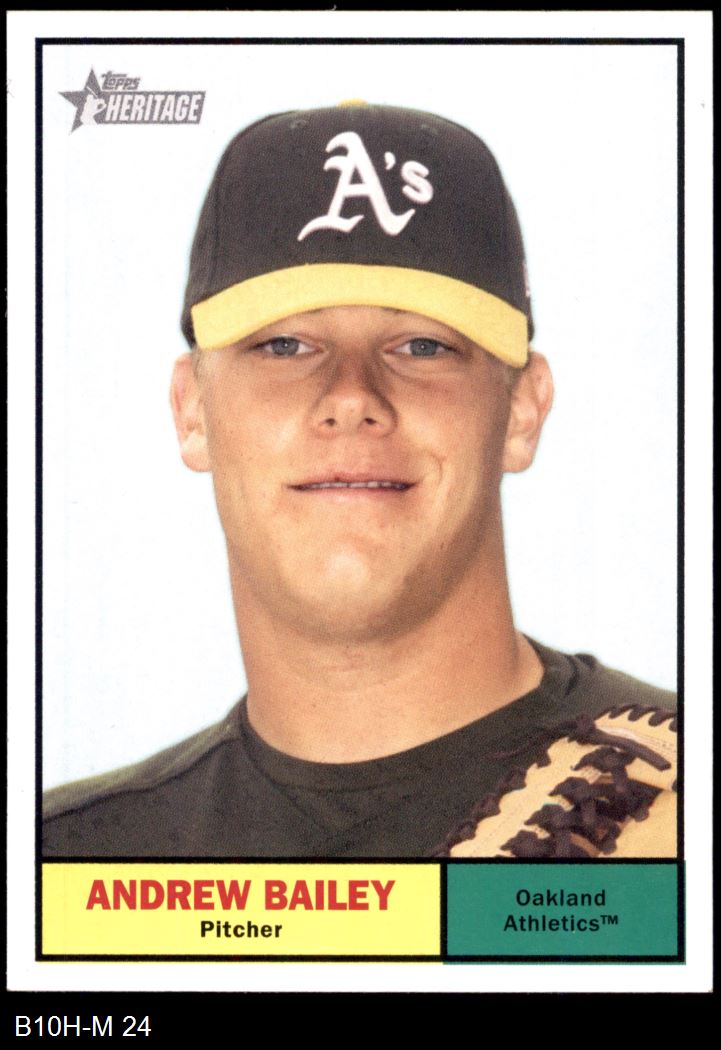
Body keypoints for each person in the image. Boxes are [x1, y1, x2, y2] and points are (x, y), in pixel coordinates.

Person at [43, 102, 676, 860]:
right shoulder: (65, 867)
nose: (350, 397)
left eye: (421, 346)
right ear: (192, 411)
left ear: (521, 410)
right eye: (284, 345)